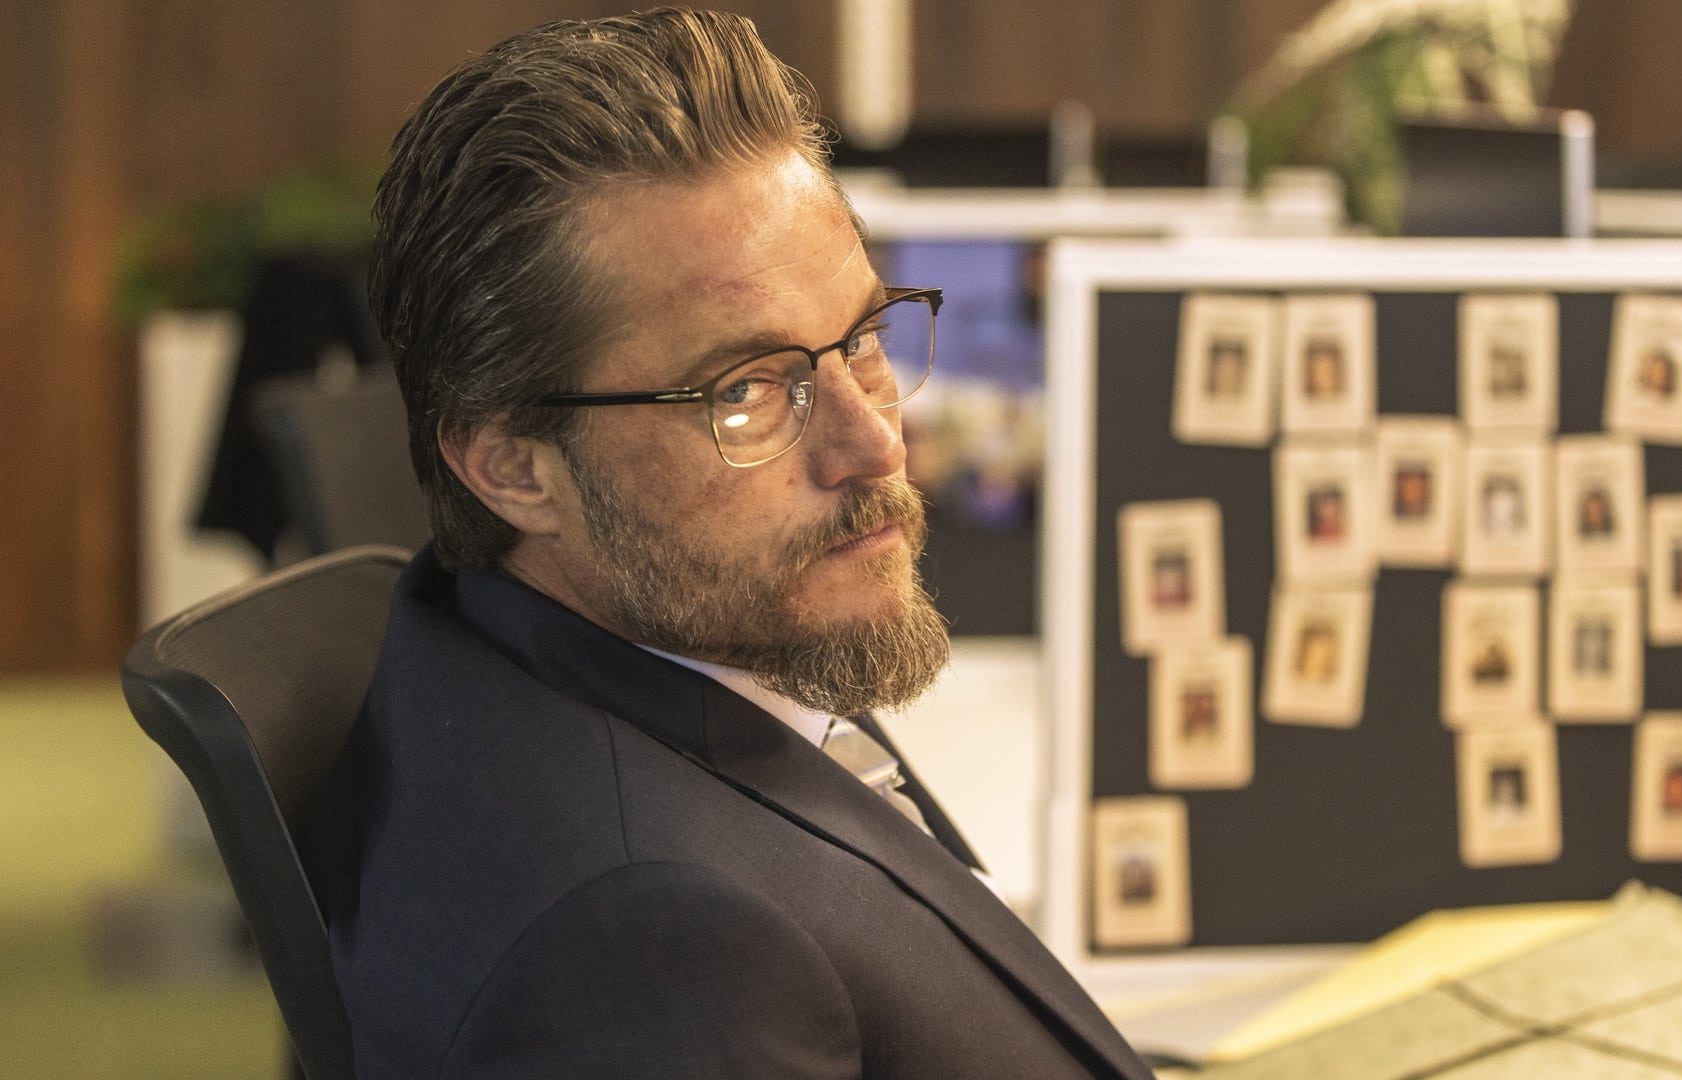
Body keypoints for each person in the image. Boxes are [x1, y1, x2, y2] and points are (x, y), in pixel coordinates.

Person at [299, 11, 1151, 1078]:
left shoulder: (659, 655)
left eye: (866, 339)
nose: (877, 442)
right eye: (744, 390)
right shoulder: (646, 957)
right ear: (512, 466)